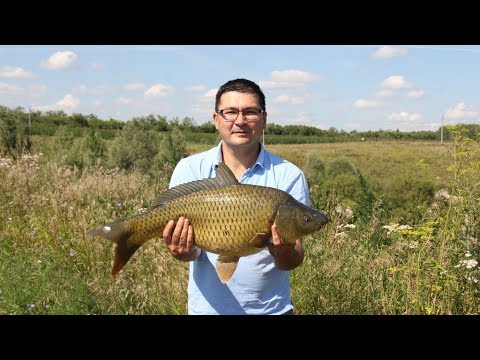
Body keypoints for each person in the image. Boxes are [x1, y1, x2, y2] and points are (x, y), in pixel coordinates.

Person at [161, 78, 311, 315]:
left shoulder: (289, 174)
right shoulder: (189, 169)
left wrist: (286, 253)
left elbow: (293, 259)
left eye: (250, 112)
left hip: (272, 310)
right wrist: (182, 251)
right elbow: (192, 254)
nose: (240, 121)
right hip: (207, 311)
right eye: (230, 112)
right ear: (216, 119)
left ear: (264, 119)